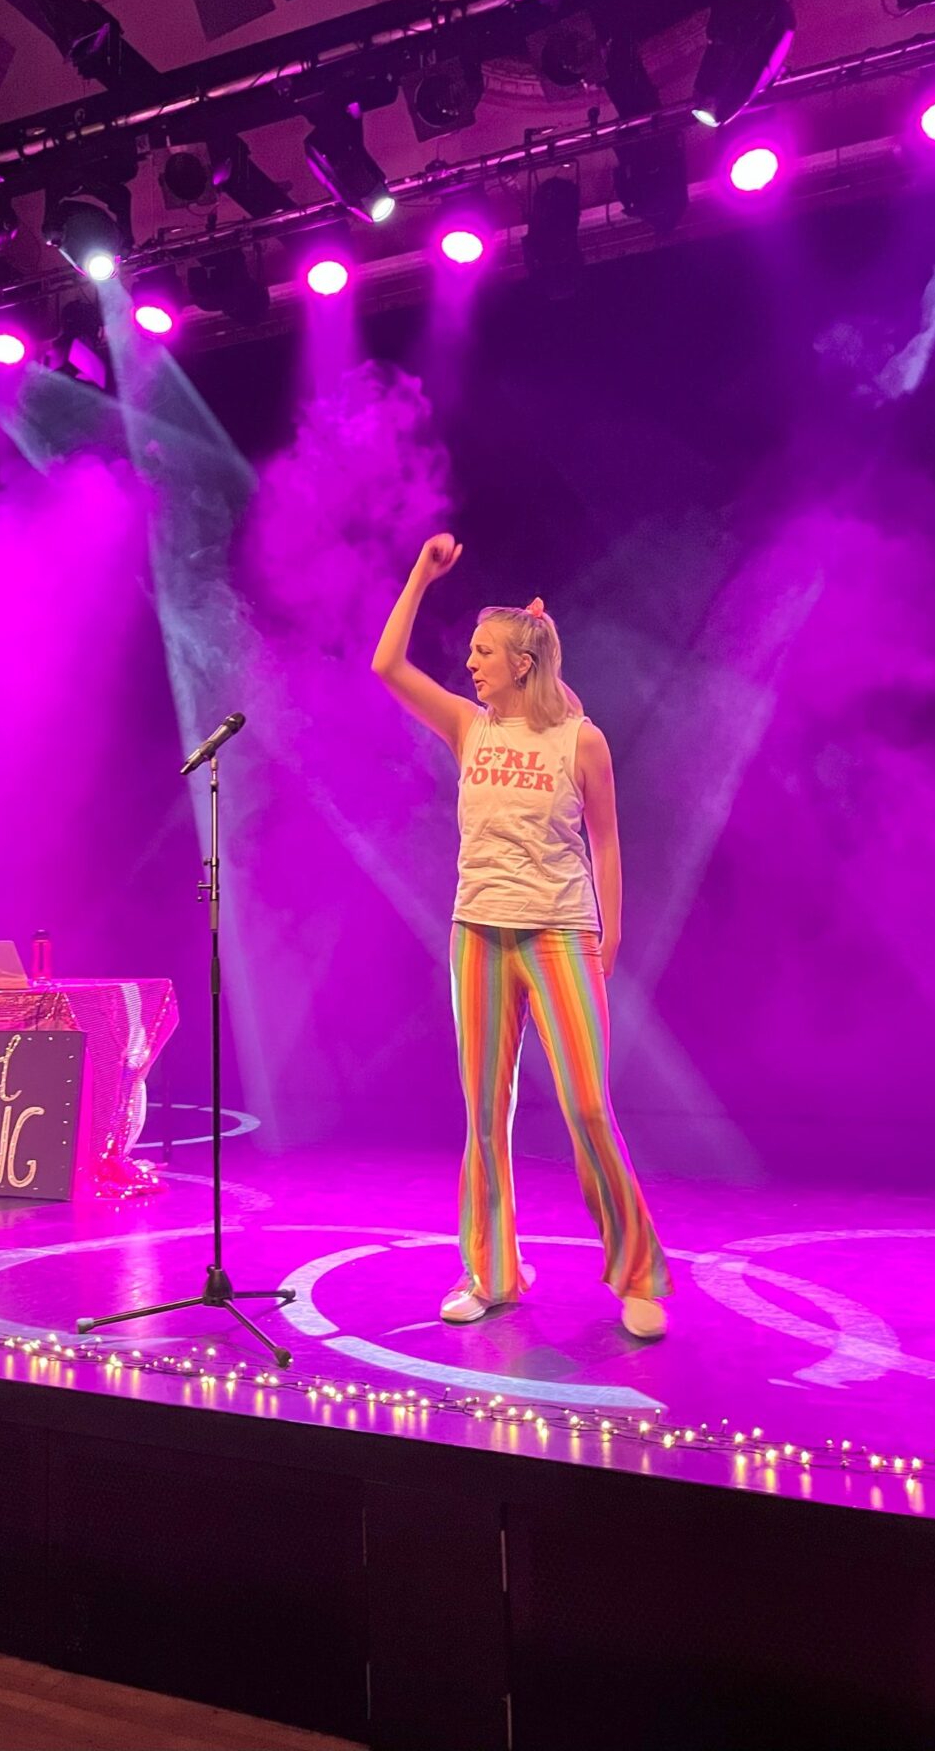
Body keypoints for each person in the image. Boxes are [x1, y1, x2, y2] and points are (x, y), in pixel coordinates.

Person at [372, 532, 671, 1339]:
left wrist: (608, 931)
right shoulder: (470, 728)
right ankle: (492, 1272)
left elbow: (607, 839)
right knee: (483, 1116)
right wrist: (419, 576)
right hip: (478, 934)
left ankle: (637, 1274)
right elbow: (387, 667)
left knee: (585, 1107)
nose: (470, 663)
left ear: (524, 664)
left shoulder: (581, 741)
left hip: (560, 935)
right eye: (471, 651)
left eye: (485, 651)